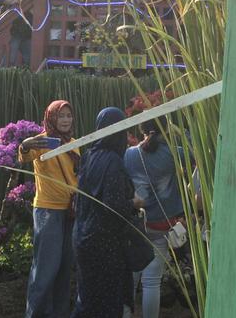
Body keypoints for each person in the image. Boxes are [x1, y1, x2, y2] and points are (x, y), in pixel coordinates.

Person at [73, 107, 143, 318]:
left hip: (83, 237)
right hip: (105, 245)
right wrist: (135, 202)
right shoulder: (113, 161)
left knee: (87, 300)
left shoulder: (89, 156)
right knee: (107, 303)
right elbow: (113, 206)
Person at [18, 100, 79, 318]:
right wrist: (25, 145)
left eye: (68, 115)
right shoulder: (42, 141)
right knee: (45, 268)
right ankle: (35, 314)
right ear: (51, 118)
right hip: (48, 211)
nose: (65, 120)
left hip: (70, 212)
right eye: (61, 116)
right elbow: (24, 156)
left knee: (65, 267)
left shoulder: (74, 143)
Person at [124, 120, 186, 318]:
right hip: (162, 225)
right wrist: (177, 130)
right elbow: (197, 150)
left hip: (137, 223)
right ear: (165, 128)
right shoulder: (174, 153)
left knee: (131, 279)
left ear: (141, 129)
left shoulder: (129, 154)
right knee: (152, 281)